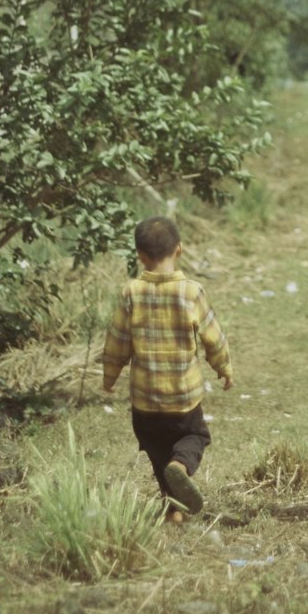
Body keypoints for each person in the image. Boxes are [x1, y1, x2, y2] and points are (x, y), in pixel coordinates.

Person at [102, 216, 233, 522]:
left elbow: (117, 341)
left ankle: (174, 510)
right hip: (182, 397)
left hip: (145, 402)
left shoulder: (131, 292)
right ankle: (183, 468)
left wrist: (110, 376)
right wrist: (224, 367)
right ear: (180, 250)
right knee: (194, 438)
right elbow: (213, 337)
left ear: (140, 256)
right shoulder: (191, 291)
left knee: (158, 451)